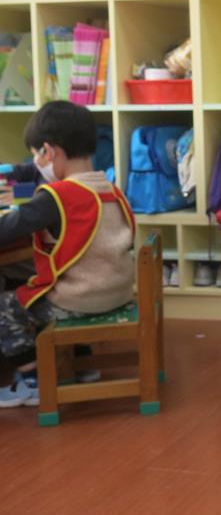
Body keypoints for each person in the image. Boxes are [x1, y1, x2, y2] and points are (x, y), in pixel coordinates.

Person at [0, 101, 135, 408]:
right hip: (117, 293)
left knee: (6, 306)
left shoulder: (57, 196)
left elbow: (10, 227)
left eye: (36, 155)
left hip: (81, 301)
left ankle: (32, 380)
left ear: (49, 151)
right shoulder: (110, 188)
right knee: (51, 278)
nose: (36, 163)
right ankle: (80, 362)